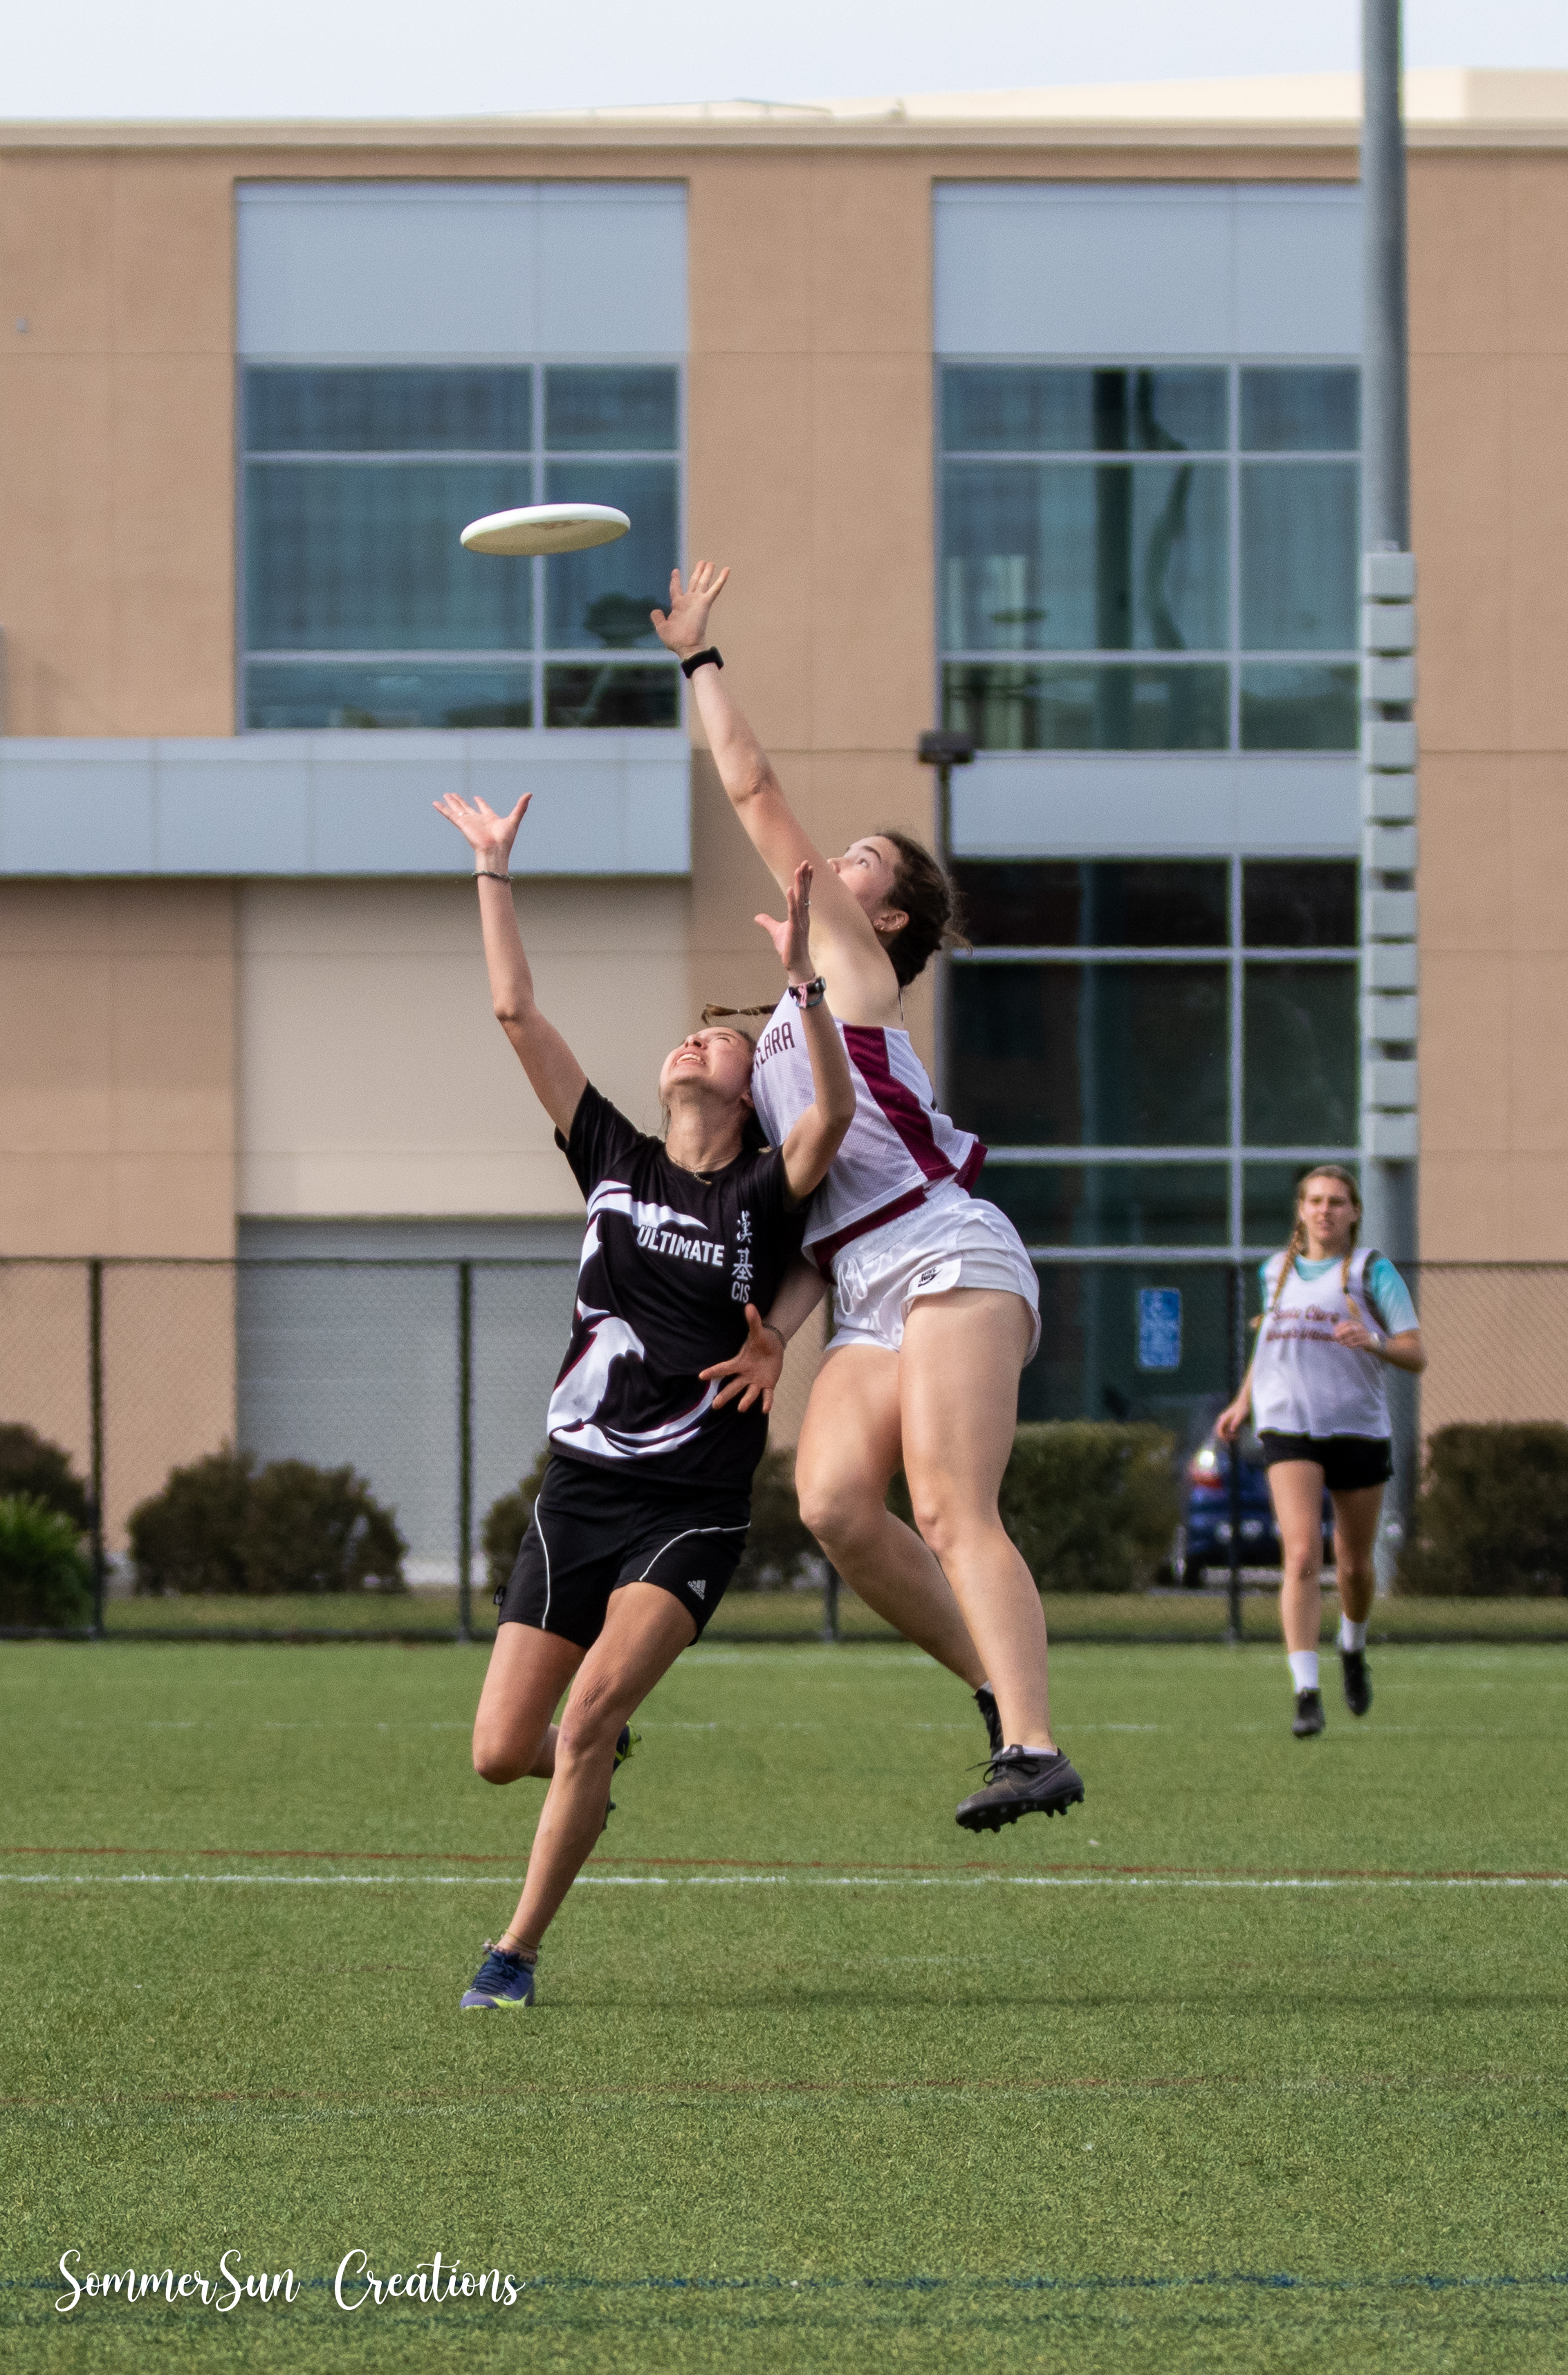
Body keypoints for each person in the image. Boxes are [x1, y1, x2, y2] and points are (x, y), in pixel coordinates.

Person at [651, 561, 1084, 1833]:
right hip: (859, 1283)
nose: (831, 861)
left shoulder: (852, 975)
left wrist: (699, 661)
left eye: (859, 863)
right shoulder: (793, 1008)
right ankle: (1000, 1701)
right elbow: (813, 1216)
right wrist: (774, 1326)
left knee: (950, 1505)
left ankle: (1037, 1743)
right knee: (836, 1506)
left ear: (880, 915)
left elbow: (750, 787)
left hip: (950, 1257)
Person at [432, 787, 854, 2009]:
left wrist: (800, 988)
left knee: (587, 1717)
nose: (691, 1043)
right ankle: (595, 1760)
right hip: (578, 1490)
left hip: (691, 1501)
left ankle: (510, 1953)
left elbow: (829, 1108)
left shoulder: (767, 1190)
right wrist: (494, 871)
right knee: (501, 1752)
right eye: (688, 1035)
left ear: (741, 1085)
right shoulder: (612, 1154)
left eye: (716, 1040)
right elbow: (516, 1011)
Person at [1214, 1164, 1426, 1739]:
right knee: (1303, 1553)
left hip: (1356, 1427)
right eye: (1314, 1200)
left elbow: (1415, 1352)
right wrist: (1242, 1401)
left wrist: (1375, 1342)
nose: (1324, 1210)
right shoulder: (1275, 1271)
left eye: (1336, 1201)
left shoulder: (1368, 1271)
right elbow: (1270, 1344)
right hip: (1289, 1427)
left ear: (1354, 1211)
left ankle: (1352, 1645)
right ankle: (1306, 1690)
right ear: (1300, 1210)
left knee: (1354, 1565)